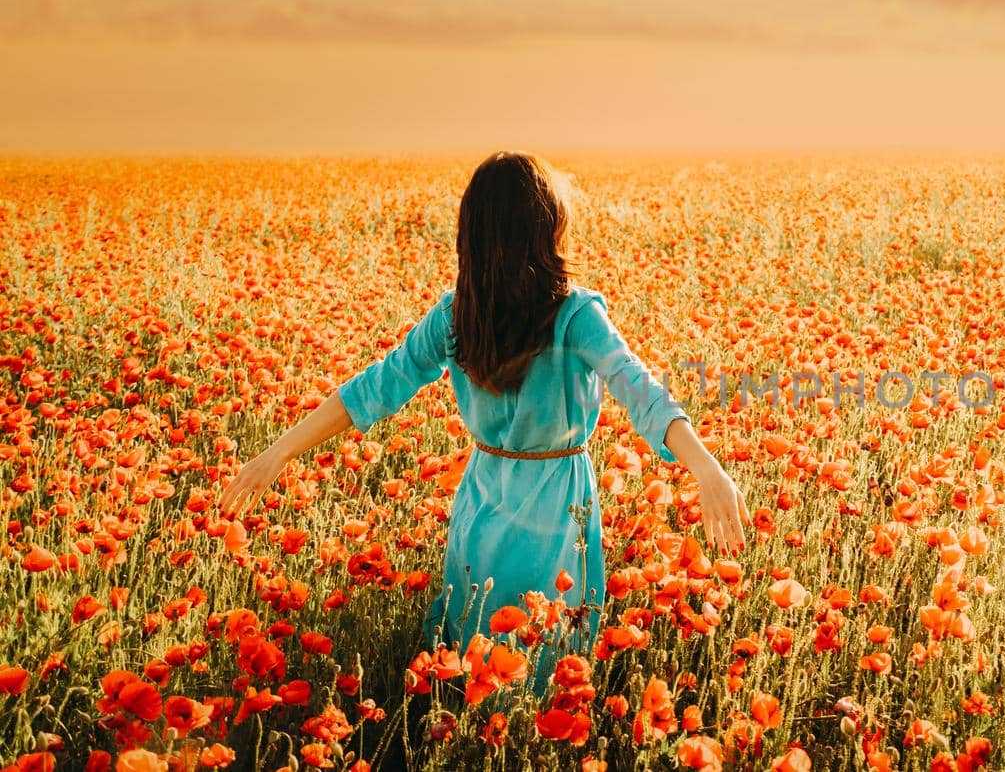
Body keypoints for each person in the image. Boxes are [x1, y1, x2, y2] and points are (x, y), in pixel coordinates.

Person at [217, 151, 748, 694]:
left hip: (483, 503)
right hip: (556, 509)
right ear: (544, 233)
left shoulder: (455, 317)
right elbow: (642, 392)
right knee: (542, 664)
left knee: (473, 664)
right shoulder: (574, 316)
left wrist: (278, 452)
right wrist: (705, 467)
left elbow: (372, 390)